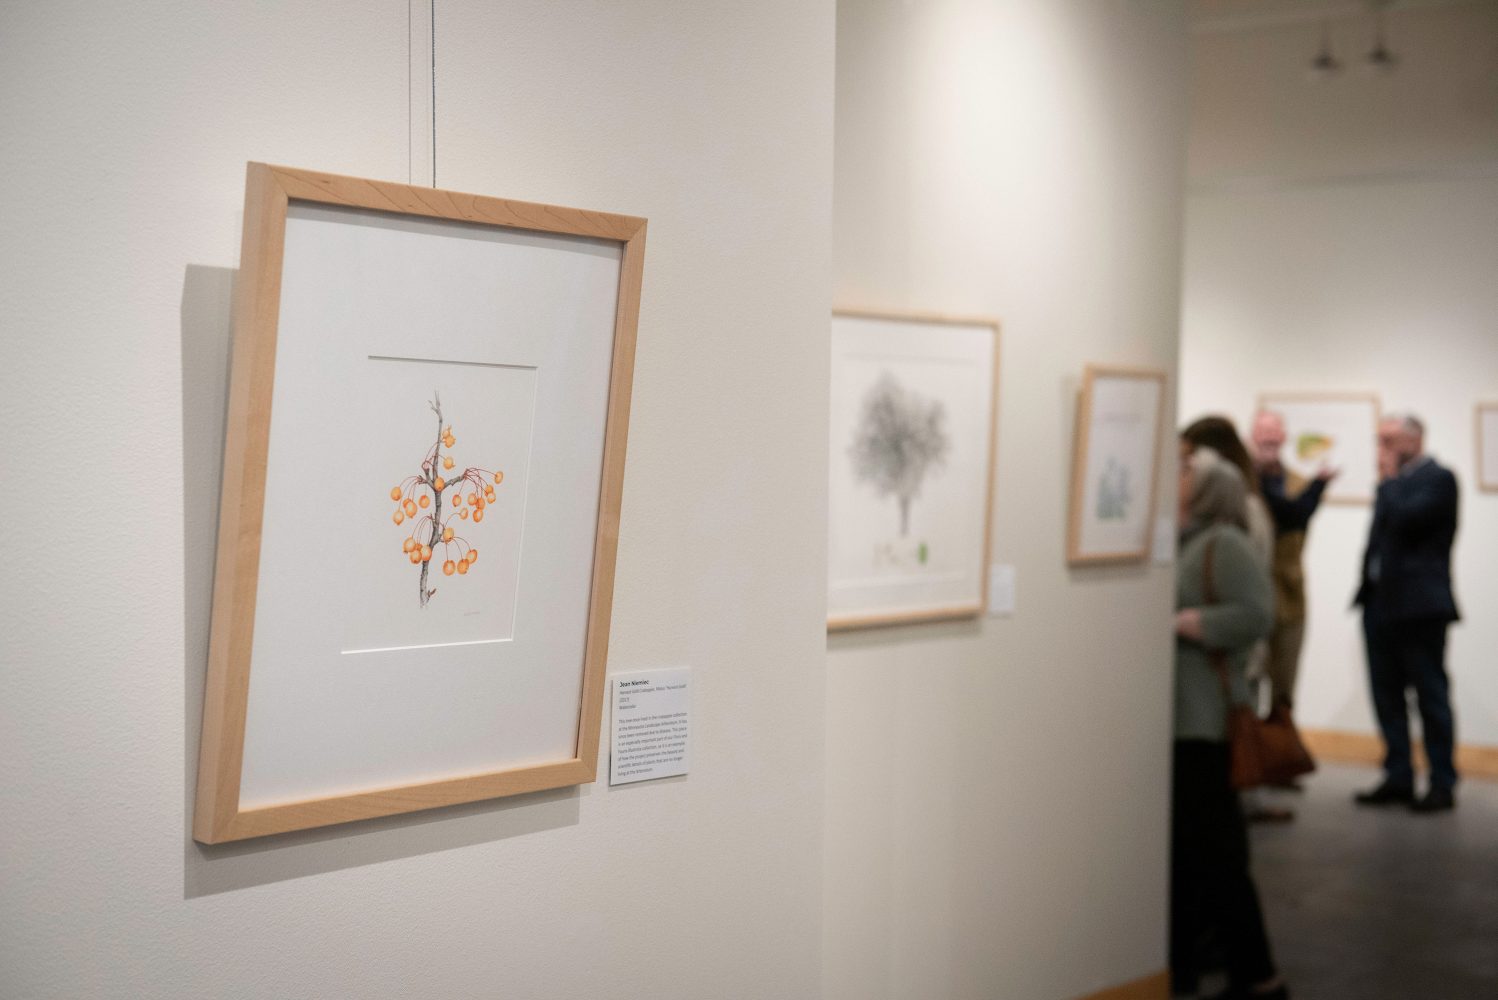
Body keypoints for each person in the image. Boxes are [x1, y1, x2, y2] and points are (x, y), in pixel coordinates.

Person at [1171, 446, 1286, 1000]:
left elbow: (1258, 614)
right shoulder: (1181, 545)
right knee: (1190, 854)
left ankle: (1259, 974)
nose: (1175, 478)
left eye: (1185, 472)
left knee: (1218, 853)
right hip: (1180, 721)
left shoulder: (1226, 544)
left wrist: (1194, 623)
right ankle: (1187, 968)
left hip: (1208, 721)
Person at [1182, 416, 1289, 824]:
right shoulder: (1233, 520)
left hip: (1223, 664)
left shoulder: (1232, 529)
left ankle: (1246, 795)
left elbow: (1253, 607)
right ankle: (1246, 796)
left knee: (1233, 730)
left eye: (1187, 466)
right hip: (1217, 671)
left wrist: (1196, 623)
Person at [1353, 413, 1461, 813]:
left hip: (1420, 609)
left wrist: (1389, 481)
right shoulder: (1393, 485)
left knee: (1430, 696)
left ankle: (1441, 781)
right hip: (1380, 605)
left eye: (1390, 440)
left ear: (1415, 440)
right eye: (1378, 440)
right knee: (1387, 697)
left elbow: (1408, 520)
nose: (1381, 449)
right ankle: (1398, 775)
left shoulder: (1438, 478)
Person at [1249, 411, 1336, 716]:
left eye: (1275, 434)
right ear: (1252, 436)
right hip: (1248, 595)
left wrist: (1315, 487)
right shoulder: (1241, 481)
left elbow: (1293, 519)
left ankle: (1278, 757)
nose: (1269, 441)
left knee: (1283, 691)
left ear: (1284, 438)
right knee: (1246, 685)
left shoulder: (1298, 483)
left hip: (1288, 596)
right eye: (1263, 433)